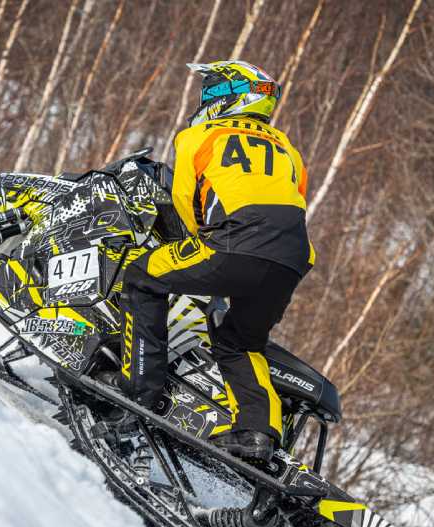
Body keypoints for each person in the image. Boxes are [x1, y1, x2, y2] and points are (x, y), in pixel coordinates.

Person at [118, 60, 314, 462]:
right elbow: (295, 202)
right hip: (290, 260)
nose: (204, 98)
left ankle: (140, 393)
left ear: (225, 97)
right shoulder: (288, 148)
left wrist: (189, 241)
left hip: (233, 242)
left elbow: (185, 202)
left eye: (209, 90)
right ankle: (257, 433)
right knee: (240, 342)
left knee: (143, 276)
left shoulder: (201, 134)